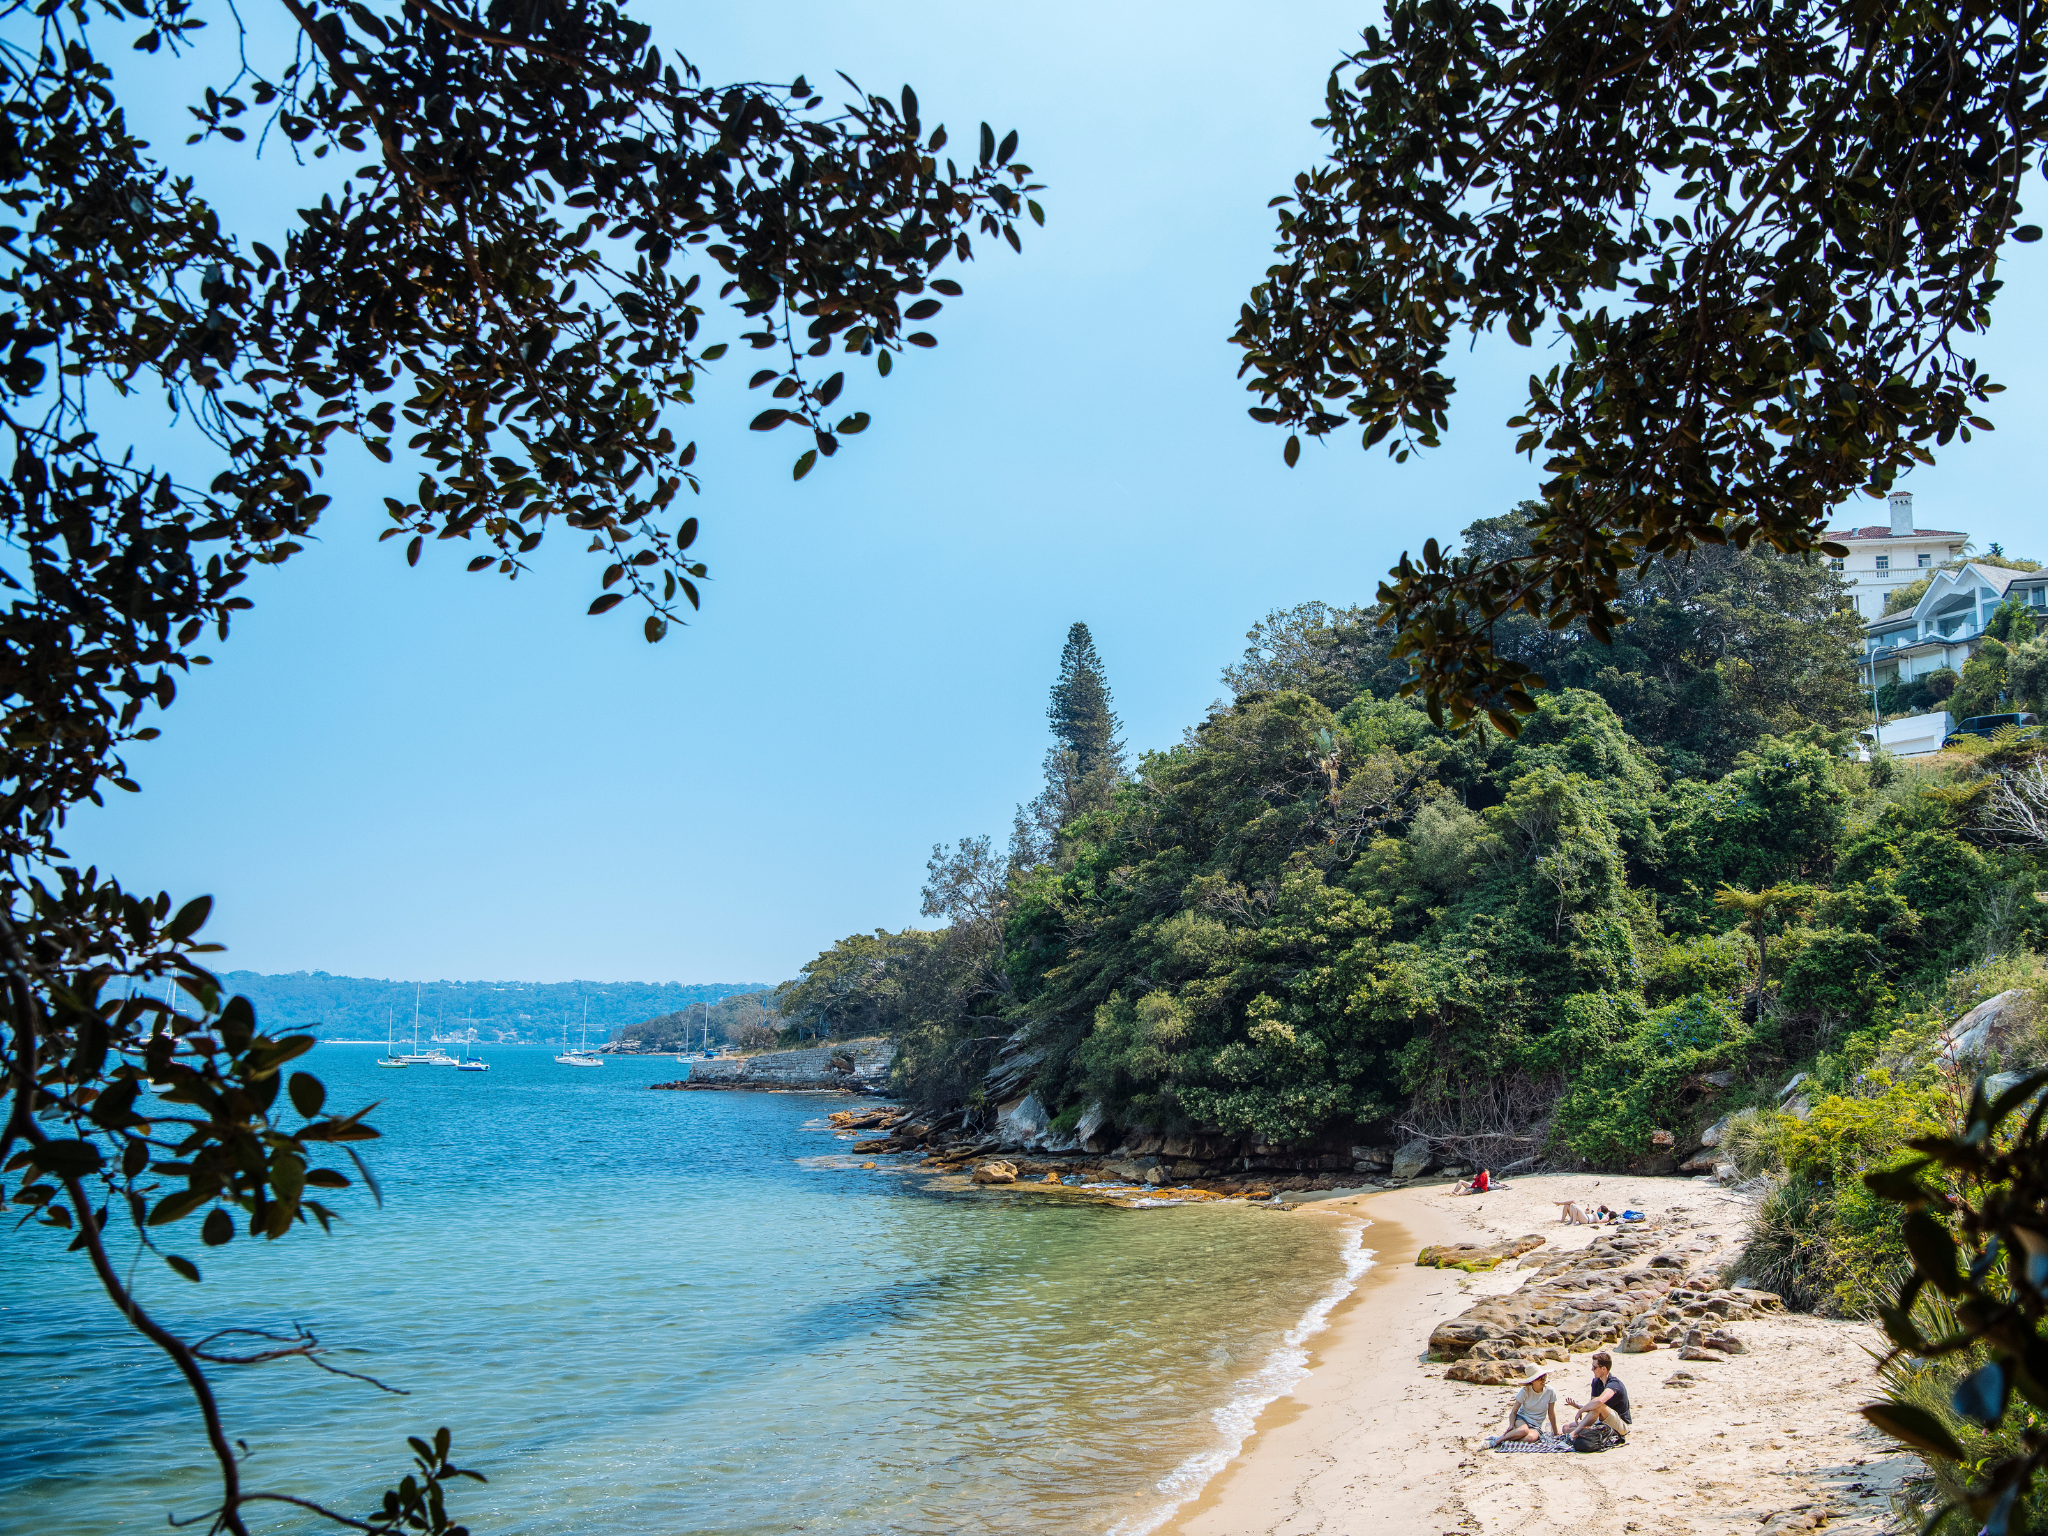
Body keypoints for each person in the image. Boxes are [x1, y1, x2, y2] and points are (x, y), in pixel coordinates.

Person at [1565, 1352, 1632, 1444]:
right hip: (1602, 1421)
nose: (1592, 1369)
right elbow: (1592, 1406)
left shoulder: (1614, 1384)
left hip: (1620, 1425)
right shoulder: (1596, 1382)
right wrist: (1579, 1407)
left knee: (1599, 1405)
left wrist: (1581, 1411)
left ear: (1603, 1368)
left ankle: (1573, 1435)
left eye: (1595, 1367)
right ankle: (1585, 1433)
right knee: (1565, 1428)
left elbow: (1600, 1401)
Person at [1490, 1366, 1560, 1445]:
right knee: (1523, 1430)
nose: (1543, 1380)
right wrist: (1511, 1425)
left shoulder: (1550, 1391)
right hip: (1522, 1419)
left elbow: (1551, 1413)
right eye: (1540, 1378)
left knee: (1530, 1438)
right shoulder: (1525, 1391)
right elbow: (1514, 1412)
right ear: (1532, 1381)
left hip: (1536, 1425)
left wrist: (1555, 1431)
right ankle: (1499, 1440)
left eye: (1544, 1377)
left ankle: (1508, 1441)